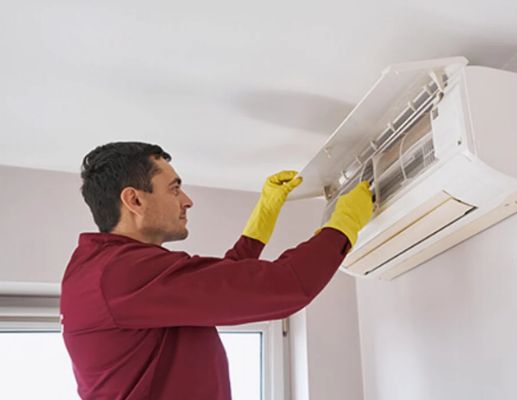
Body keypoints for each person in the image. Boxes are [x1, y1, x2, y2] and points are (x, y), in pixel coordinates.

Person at [60, 142, 373, 399]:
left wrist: (265, 214)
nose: (187, 200)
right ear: (134, 200)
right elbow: (285, 286)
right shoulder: (120, 274)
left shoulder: (106, 269)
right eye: (174, 189)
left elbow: (220, 284)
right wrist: (343, 227)